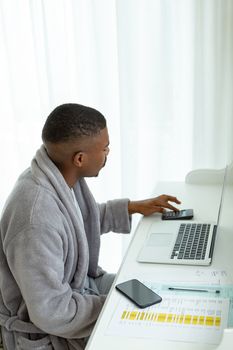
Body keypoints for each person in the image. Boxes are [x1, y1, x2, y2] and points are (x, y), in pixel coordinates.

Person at [0, 103, 181, 349]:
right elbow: (51, 311)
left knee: (152, 290)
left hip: (80, 288)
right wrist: (113, 305)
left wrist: (134, 207)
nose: (108, 154)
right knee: (146, 327)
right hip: (51, 323)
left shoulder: (57, 174)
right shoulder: (35, 221)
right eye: (105, 148)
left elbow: (77, 221)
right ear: (80, 159)